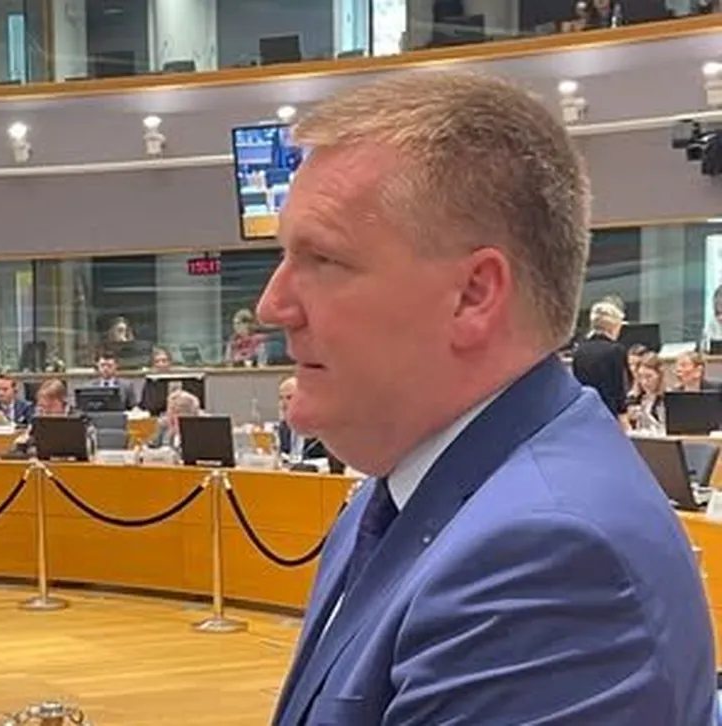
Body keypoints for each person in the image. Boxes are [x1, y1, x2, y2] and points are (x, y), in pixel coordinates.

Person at [256, 70, 713, 725]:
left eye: (323, 260)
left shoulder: (545, 560)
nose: (273, 305)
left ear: (473, 295)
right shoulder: (401, 490)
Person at [571, 299, 629, 423]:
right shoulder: (615, 350)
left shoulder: (579, 350)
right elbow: (618, 386)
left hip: (585, 411)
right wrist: (623, 415)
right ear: (613, 326)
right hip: (607, 411)